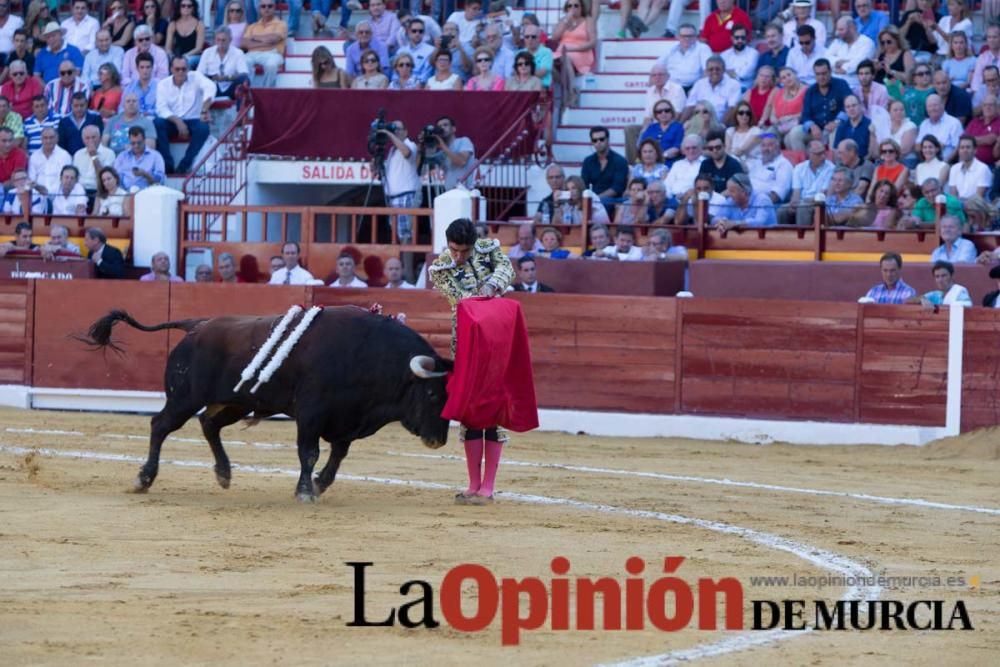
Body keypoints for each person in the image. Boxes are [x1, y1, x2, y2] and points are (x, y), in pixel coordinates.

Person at [428, 218, 515, 506]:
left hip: (499, 342)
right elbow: (462, 301)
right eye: (454, 250)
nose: (458, 257)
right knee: (471, 411)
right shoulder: (440, 268)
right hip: (466, 342)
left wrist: (492, 284)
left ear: (474, 245)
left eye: (464, 251)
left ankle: (487, 486)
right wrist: (486, 295)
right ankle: (473, 484)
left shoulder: (489, 250)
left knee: (494, 408)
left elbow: (507, 269)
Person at [154, 56, 213, 174]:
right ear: (171, 69)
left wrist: (204, 110)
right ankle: (167, 164)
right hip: (172, 121)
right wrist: (178, 121)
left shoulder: (196, 77)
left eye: (183, 69)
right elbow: (161, 108)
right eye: (177, 69)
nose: (181, 72)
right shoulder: (163, 84)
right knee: (157, 123)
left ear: (188, 69)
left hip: (194, 119)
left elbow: (211, 88)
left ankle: (185, 164)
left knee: (203, 128)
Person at [791, 59, 852, 152]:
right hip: (817, 130)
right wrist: (812, 126)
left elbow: (849, 105)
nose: (821, 77)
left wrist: (837, 122)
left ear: (830, 72)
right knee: (795, 133)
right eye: (818, 74)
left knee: (835, 133)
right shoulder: (810, 91)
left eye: (824, 73)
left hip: (836, 127)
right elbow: (805, 115)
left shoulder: (841, 84)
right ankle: (803, 164)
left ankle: (834, 164)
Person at [377, 119, 420, 243]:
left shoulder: (410, 144)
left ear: (405, 132)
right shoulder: (392, 150)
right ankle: (401, 262)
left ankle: (407, 263)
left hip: (406, 196)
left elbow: (407, 153)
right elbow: (381, 172)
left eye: (398, 129)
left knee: (407, 236)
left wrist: (389, 134)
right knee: (398, 236)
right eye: (393, 129)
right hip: (393, 198)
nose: (395, 131)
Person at [551, 0, 595, 107]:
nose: (573, 8)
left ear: (581, 8)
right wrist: (566, 20)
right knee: (548, 62)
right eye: (570, 6)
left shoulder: (588, 20)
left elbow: (592, 42)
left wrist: (573, 49)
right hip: (562, 52)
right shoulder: (563, 21)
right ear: (566, 8)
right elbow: (554, 37)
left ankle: (571, 93)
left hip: (581, 51)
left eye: (576, 5)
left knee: (566, 58)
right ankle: (570, 90)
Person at [783, 139, 834, 226]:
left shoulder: (831, 168)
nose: (823, 157)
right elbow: (796, 192)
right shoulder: (799, 168)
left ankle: (803, 238)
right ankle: (782, 238)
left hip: (819, 203)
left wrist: (801, 203)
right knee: (782, 210)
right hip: (802, 202)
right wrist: (794, 202)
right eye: (819, 154)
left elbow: (823, 195)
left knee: (803, 208)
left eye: (823, 153)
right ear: (809, 155)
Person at [580, 125, 628, 211]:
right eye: (595, 140)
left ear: (608, 139)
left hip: (612, 200)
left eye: (601, 139)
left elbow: (617, 188)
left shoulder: (620, 161)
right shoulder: (588, 161)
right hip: (591, 199)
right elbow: (584, 184)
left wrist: (596, 199)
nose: (598, 142)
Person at [196, 25, 249, 100]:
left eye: (223, 40)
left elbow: (243, 73)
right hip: (212, 87)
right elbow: (199, 74)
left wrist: (226, 78)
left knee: (243, 78)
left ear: (230, 40)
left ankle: (238, 109)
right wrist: (212, 78)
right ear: (215, 40)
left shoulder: (238, 53)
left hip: (231, 88)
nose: (220, 43)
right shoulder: (207, 52)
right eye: (218, 40)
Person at [242, 0, 286, 88]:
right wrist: (267, 42)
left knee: (271, 65)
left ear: (274, 8)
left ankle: (266, 91)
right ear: (259, 9)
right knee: (243, 61)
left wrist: (254, 38)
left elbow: (274, 39)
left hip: (273, 53)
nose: (266, 8)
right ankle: (248, 91)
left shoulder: (281, 24)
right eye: (263, 6)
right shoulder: (252, 26)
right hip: (252, 54)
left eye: (270, 6)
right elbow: (244, 44)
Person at [684, 55, 740, 123]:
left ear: (724, 70)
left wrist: (720, 127)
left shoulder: (733, 85)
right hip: (699, 124)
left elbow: (732, 109)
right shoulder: (699, 84)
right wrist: (679, 125)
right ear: (706, 71)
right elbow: (690, 106)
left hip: (721, 125)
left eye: (717, 69)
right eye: (711, 69)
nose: (714, 72)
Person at [655, 23, 711, 90]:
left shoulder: (703, 48)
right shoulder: (671, 48)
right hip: (672, 87)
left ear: (695, 37)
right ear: (678, 37)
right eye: (683, 36)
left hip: (693, 87)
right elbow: (657, 68)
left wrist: (697, 89)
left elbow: (707, 71)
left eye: (690, 36)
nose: (687, 38)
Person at [826, 16, 875, 89]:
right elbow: (826, 59)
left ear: (852, 28)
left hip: (855, 86)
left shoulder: (867, 43)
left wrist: (843, 68)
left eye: (841, 30)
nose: (837, 33)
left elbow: (857, 65)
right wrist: (837, 62)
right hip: (833, 84)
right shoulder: (837, 42)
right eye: (837, 29)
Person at [426, 115, 473, 190]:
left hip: (465, 191)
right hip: (449, 192)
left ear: (453, 129)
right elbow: (423, 167)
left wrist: (442, 145)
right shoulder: (441, 152)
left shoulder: (464, 141)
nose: (442, 128)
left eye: (445, 125)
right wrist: (423, 144)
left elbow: (461, 162)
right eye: (439, 126)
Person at [762, 67, 806, 144]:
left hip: (798, 124)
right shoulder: (779, 93)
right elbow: (773, 115)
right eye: (783, 78)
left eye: (789, 75)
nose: (787, 79)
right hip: (780, 125)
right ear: (781, 81)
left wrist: (791, 117)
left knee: (788, 139)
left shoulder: (806, 91)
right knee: (767, 135)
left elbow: (807, 112)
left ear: (795, 75)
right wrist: (775, 120)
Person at [746, 133, 793, 204]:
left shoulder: (784, 164)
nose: (765, 149)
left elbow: (777, 194)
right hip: (745, 201)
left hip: (763, 205)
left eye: (770, 145)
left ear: (778, 147)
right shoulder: (757, 162)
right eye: (763, 145)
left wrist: (755, 205)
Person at [113, 126, 165, 190]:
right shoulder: (122, 156)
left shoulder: (155, 156)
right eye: (133, 143)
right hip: (125, 194)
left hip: (148, 194)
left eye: (139, 143)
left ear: (144, 140)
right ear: (129, 141)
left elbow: (159, 182)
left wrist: (145, 174)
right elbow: (116, 179)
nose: (136, 146)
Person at [918, 94, 963, 163]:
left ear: (942, 106)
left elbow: (958, 147)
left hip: (948, 163)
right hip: (927, 163)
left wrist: (945, 163)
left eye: (935, 105)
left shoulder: (954, 123)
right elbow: (917, 146)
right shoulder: (924, 124)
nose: (932, 109)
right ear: (926, 109)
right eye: (929, 106)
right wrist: (938, 146)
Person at [73, 124, 114, 195]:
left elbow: (103, 177)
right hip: (79, 192)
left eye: (93, 137)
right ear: (83, 139)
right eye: (87, 138)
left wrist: (94, 156)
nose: (90, 141)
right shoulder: (78, 154)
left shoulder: (109, 153)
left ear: (99, 137)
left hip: (98, 190)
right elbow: (74, 177)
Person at [28, 126, 70, 195]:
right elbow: (31, 179)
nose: (48, 141)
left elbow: (67, 179)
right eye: (45, 138)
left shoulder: (65, 156)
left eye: (51, 137)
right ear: (41, 139)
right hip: (38, 195)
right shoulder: (34, 156)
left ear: (57, 138)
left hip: (59, 195)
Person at [947, 135, 992, 200]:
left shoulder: (983, 169)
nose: (965, 150)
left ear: (975, 150)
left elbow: (978, 198)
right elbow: (953, 196)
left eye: (968, 147)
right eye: (962, 147)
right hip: (958, 207)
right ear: (959, 150)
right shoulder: (954, 168)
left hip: (976, 208)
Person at [663, 134, 705, 200]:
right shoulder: (677, 164)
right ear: (683, 151)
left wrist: (685, 196)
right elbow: (667, 184)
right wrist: (670, 197)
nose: (691, 151)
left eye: (694, 148)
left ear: (700, 149)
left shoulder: (705, 163)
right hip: (672, 199)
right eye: (687, 148)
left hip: (693, 199)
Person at [833, 95, 874, 160]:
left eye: (854, 105)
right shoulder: (841, 127)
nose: (851, 109)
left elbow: (873, 154)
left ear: (860, 106)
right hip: (845, 165)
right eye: (848, 107)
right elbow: (836, 151)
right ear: (845, 109)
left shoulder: (870, 125)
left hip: (864, 164)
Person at [396, 18, 435, 84]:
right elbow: (395, 74)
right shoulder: (400, 51)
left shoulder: (431, 51)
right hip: (400, 86)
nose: (417, 34)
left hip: (419, 87)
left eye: (421, 31)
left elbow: (426, 75)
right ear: (408, 32)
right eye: (414, 31)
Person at [785, 24, 824, 88]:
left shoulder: (824, 52)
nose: (804, 46)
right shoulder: (793, 52)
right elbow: (789, 73)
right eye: (801, 43)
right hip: (796, 85)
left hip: (816, 86)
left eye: (807, 42)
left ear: (814, 39)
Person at [519, 23, 552, 89]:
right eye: (527, 37)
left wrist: (523, 72)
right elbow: (515, 73)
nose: (530, 39)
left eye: (533, 37)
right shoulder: (519, 53)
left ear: (539, 38)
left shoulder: (546, 52)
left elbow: (541, 73)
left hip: (541, 87)